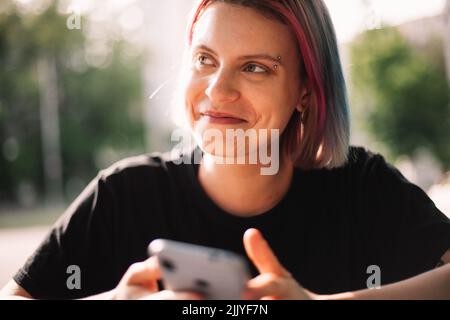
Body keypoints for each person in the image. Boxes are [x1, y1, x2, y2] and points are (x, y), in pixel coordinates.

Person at [1, 0, 449, 300]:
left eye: (255, 68)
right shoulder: (122, 195)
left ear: (305, 94)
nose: (218, 89)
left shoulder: (362, 188)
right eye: (205, 59)